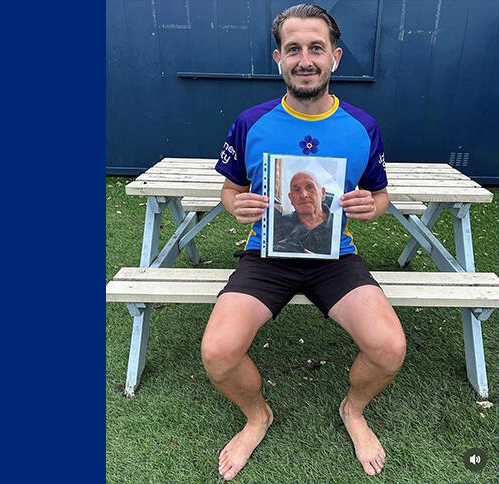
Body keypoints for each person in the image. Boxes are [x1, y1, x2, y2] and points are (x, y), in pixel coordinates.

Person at [205, 4, 406, 480]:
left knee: (389, 348)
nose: (305, 59)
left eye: (316, 47)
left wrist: (371, 206)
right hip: (267, 255)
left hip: (335, 256)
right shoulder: (252, 122)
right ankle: (258, 415)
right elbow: (230, 190)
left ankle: (353, 409)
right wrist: (236, 206)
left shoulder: (361, 126)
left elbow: (380, 195)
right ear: (279, 58)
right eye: (293, 49)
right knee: (218, 353)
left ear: (335, 57)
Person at [272, 170, 334, 254]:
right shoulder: (279, 225)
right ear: (291, 198)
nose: (303, 195)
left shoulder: (339, 224)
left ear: (322, 193)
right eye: (297, 190)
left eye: (309, 187)